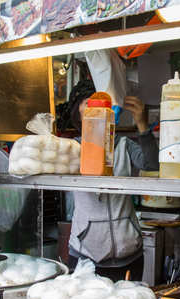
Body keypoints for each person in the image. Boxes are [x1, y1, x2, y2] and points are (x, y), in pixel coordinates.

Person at [59, 79, 159, 281]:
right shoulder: (72, 150)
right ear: (77, 113)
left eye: (101, 104)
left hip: (129, 255)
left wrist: (142, 123)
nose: (96, 109)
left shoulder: (123, 145)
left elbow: (152, 165)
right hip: (85, 256)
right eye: (88, 103)